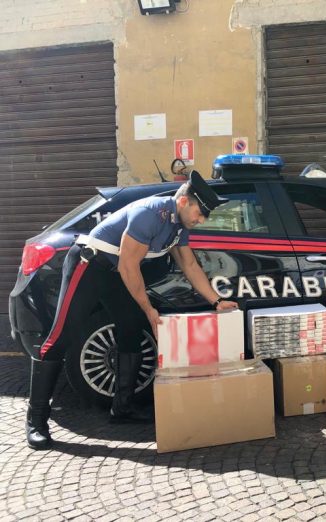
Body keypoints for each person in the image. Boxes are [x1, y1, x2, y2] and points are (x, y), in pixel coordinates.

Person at [26, 171, 238, 449]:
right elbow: (129, 265)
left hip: (114, 273)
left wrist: (216, 301)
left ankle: (122, 409)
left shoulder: (178, 226)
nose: (202, 220)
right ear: (185, 201)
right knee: (61, 336)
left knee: (130, 329)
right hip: (88, 266)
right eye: (201, 213)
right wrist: (150, 310)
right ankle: (36, 419)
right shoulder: (150, 213)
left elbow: (190, 266)